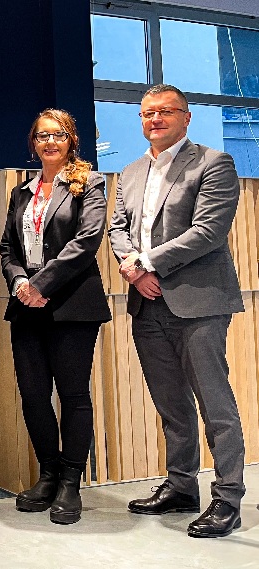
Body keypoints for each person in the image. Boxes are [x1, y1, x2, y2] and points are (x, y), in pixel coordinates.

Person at [108, 84, 245, 538]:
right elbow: (117, 229)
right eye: (148, 113)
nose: (156, 119)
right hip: (146, 303)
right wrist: (133, 271)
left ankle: (228, 498)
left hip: (199, 302)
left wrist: (147, 263)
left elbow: (209, 230)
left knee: (215, 405)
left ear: (186, 117)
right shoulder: (130, 172)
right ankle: (182, 486)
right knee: (171, 404)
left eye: (166, 111)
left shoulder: (213, 163)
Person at [0, 109, 111, 524]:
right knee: (33, 395)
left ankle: (70, 483)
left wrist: (41, 285)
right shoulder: (21, 193)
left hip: (72, 305)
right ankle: (48, 475)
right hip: (25, 306)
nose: (50, 142)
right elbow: (8, 248)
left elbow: (87, 241)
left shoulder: (90, 183)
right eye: (42, 136)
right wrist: (20, 284)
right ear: (33, 143)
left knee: (73, 395)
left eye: (58, 135)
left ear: (71, 140)